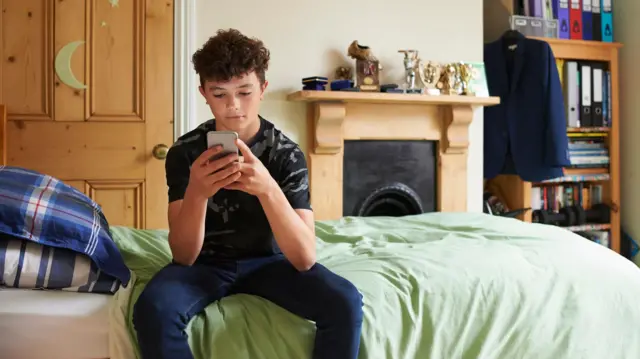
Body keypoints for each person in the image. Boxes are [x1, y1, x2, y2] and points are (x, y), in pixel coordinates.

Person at [132, 28, 364, 359]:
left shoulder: (286, 154)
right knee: (153, 309)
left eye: (244, 92)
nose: (233, 107)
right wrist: (197, 192)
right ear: (204, 93)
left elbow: (304, 257)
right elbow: (183, 256)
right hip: (205, 263)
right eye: (220, 94)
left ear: (263, 89)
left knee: (346, 302)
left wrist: (268, 189)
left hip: (272, 261)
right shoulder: (184, 153)